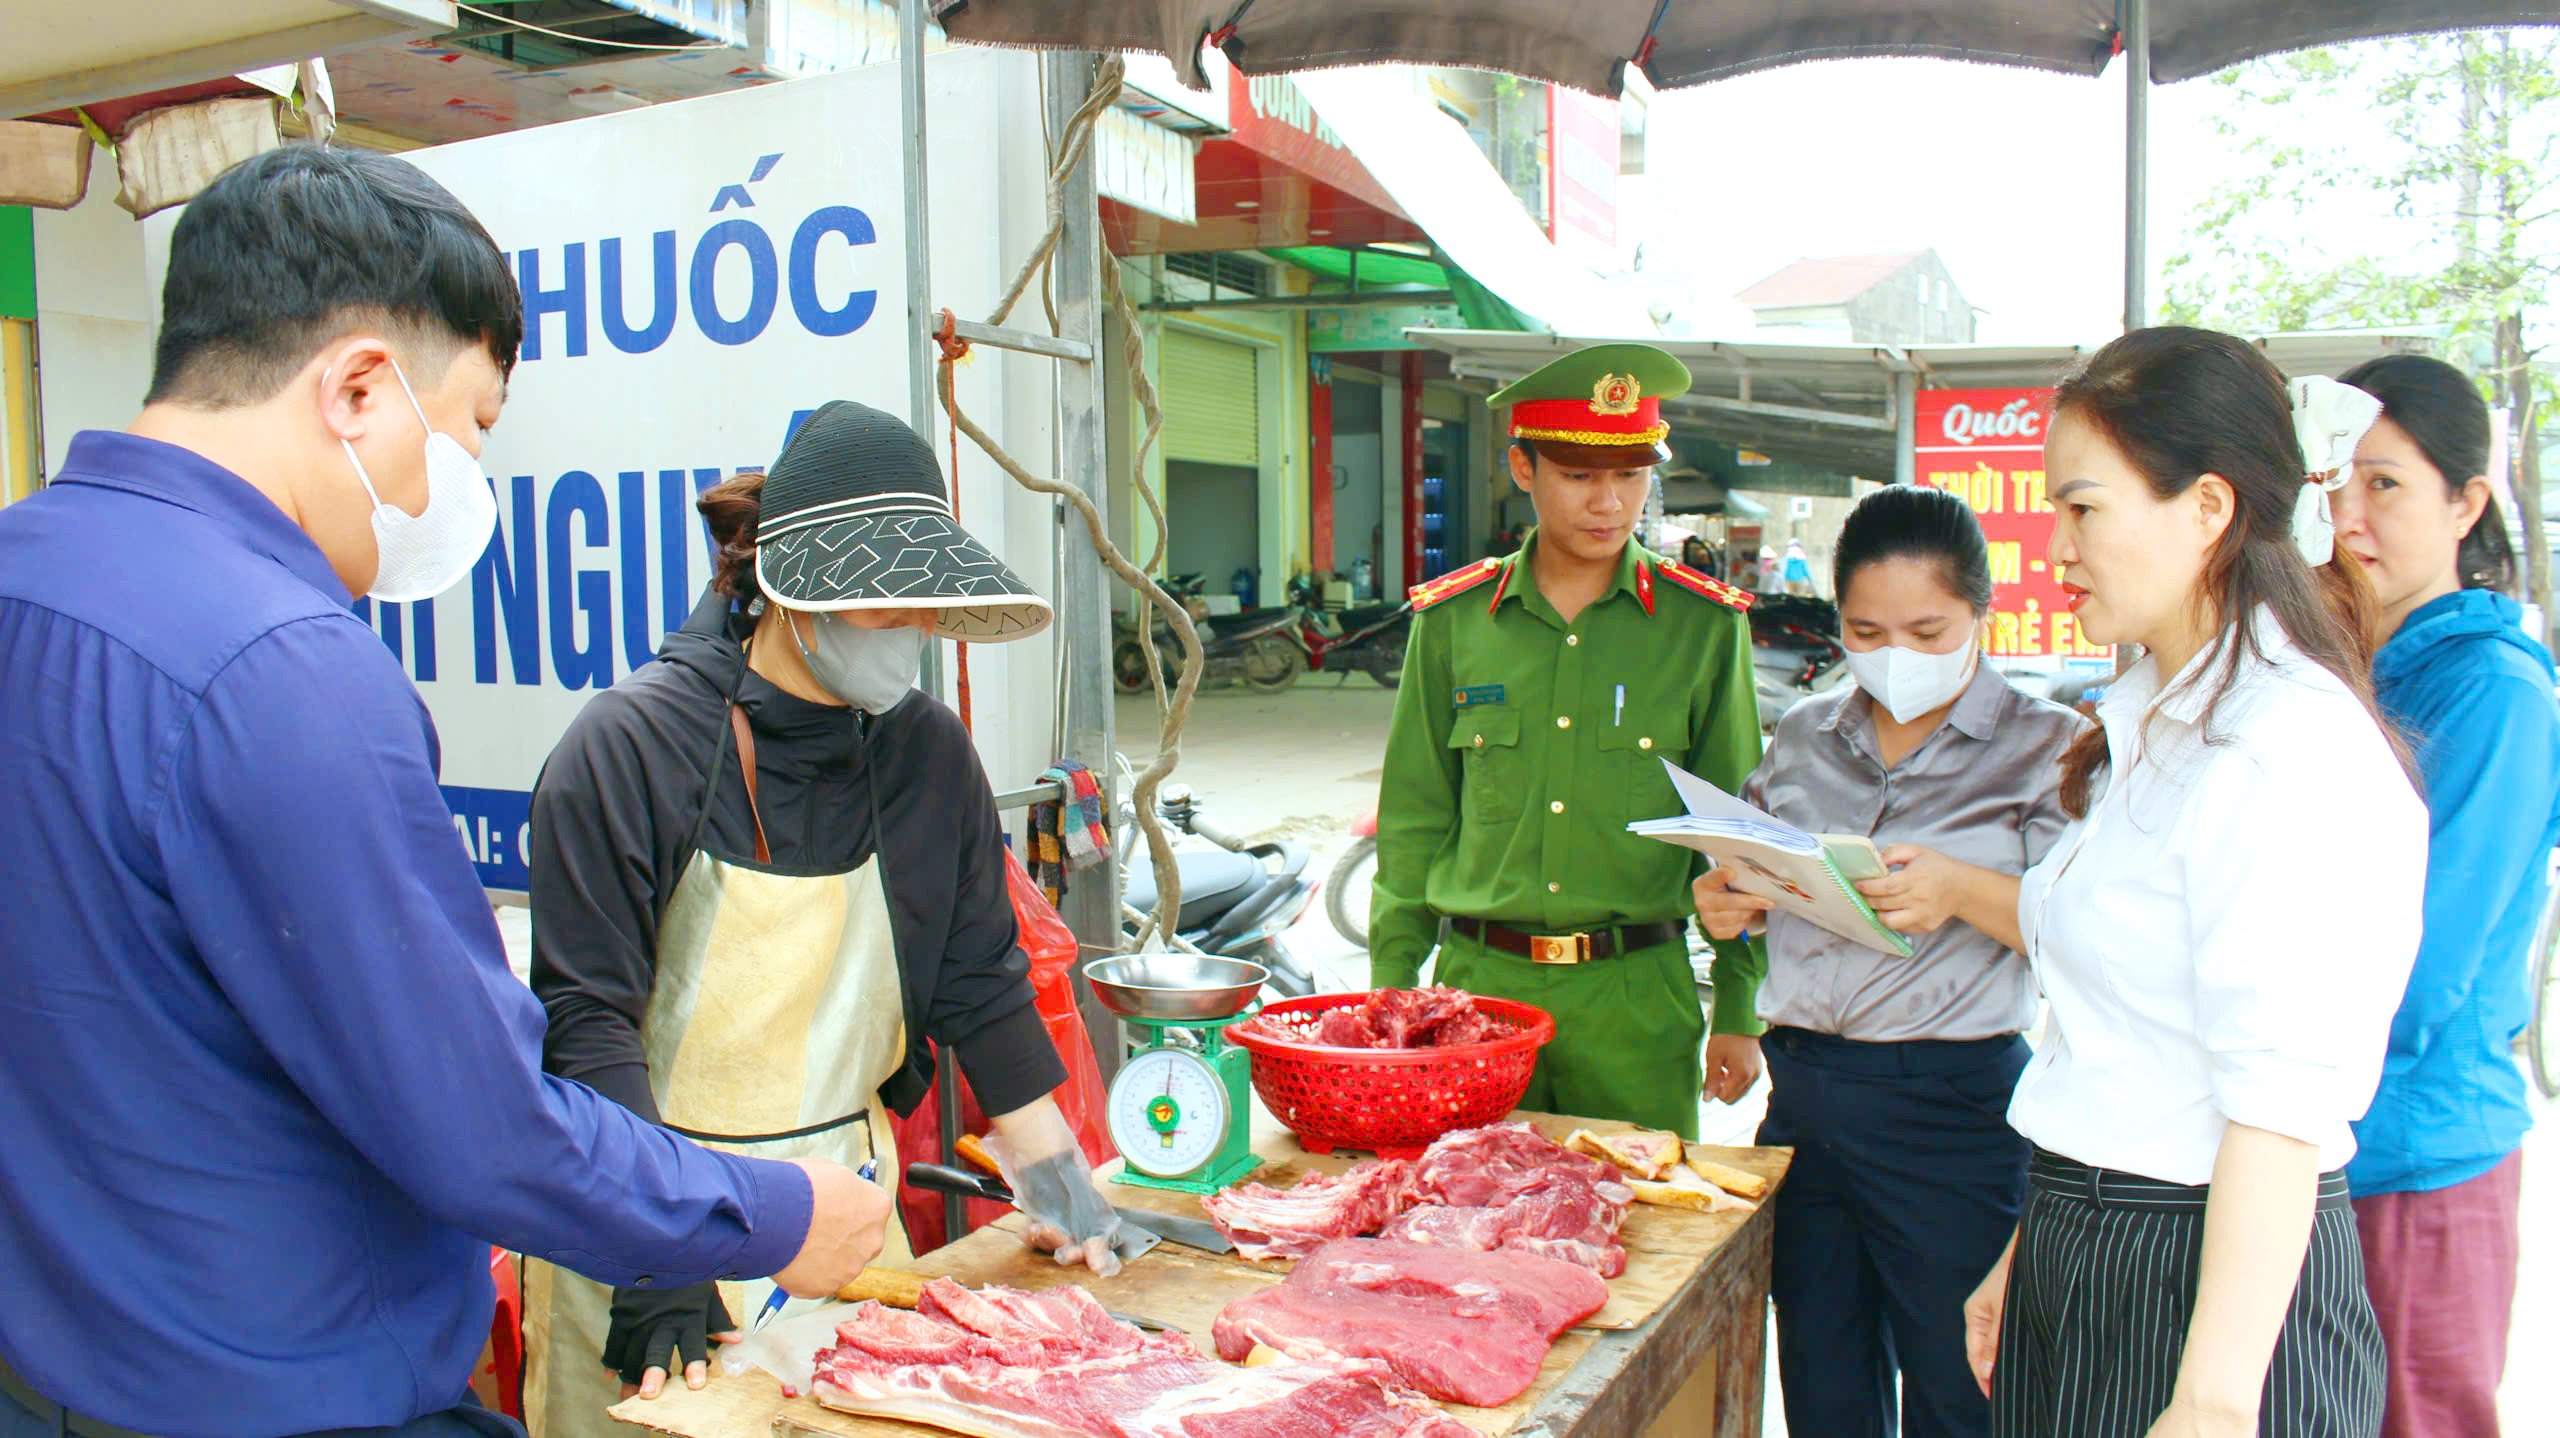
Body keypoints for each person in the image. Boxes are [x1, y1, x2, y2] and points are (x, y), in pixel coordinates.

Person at [0, 147, 891, 1438]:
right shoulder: (289, 669)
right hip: (276, 1397)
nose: (449, 487)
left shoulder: (25, 572)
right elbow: (480, 1126)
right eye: (468, 428)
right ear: (358, 386)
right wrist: (773, 1215)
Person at [524, 401, 1125, 1435]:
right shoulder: (629, 750)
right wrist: (655, 1253)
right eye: (883, 607)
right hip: (642, 1215)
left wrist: (1062, 1186)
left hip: (843, 1227)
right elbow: (588, 1026)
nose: (911, 637)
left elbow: (983, 980)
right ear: (787, 593)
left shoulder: (926, 753)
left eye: (924, 608)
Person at [1891, 328, 2425, 1437]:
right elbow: (2124, 1042)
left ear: (2207, 510)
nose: (2055, 546)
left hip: (2208, 1286)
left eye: (2082, 508)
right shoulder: (2156, 726)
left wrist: (2214, 1402)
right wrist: (2032, 1247)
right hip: (2091, 1239)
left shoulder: (2285, 750)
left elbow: (2278, 1110)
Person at [1692, 485, 2084, 1438]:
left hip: (1949, 1106)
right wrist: (1722, 901)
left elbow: (2095, 937)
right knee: (1824, 1379)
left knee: (1960, 1387)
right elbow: (1743, 867)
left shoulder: (2051, 750)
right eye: (1867, 630)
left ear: (1980, 614)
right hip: (1809, 1095)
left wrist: (1960, 891)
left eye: (1926, 628)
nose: (1894, 656)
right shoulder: (1803, 734)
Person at [1371, 343, 1762, 1139]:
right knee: (1465, 1231)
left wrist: (1741, 1003)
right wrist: (1390, 989)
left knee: (1647, 1237)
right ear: (1524, 468)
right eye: (1580, 476)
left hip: (1637, 1003)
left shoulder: (1703, 627)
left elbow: (1740, 832)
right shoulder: (1454, 623)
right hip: (1479, 996)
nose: (1608, 503)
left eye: (1628, 475)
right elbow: (1415, 817)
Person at [2331, 354, 2556, 1438]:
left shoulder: (2493, 692)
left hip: (2417, 1160)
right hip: (2327, 1142)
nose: (2350, 514)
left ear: (2466, 502)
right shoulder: (2350, 664)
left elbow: (2419, 978)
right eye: (2336, 481)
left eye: (2386, 485)